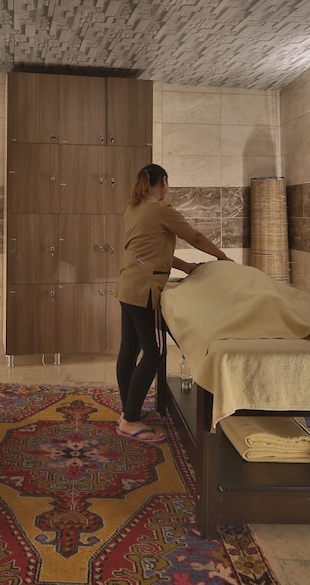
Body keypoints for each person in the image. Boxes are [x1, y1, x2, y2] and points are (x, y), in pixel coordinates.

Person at [114, 163, 231, 443]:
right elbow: (195, 237)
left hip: (128, 286)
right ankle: (130, 420)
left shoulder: (134, 208)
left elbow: (153, 251)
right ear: (164, 182)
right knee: (155, 352)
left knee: (129, 350)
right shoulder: (160, 209)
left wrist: (187, 267)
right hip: (146, 291)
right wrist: (223, 257)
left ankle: (128, 410)